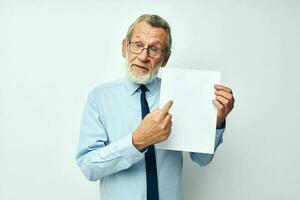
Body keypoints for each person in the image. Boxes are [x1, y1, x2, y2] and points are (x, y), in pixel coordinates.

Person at [76, 14, 235, 200]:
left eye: (154, 49)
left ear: (165, 59)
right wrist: (137, 141)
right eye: (137, 45)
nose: (143, 56)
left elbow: (202, 159)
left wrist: (215, 122)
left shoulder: (181, 94)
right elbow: (89, 167)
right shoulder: (99, 98)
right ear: (124, 48)